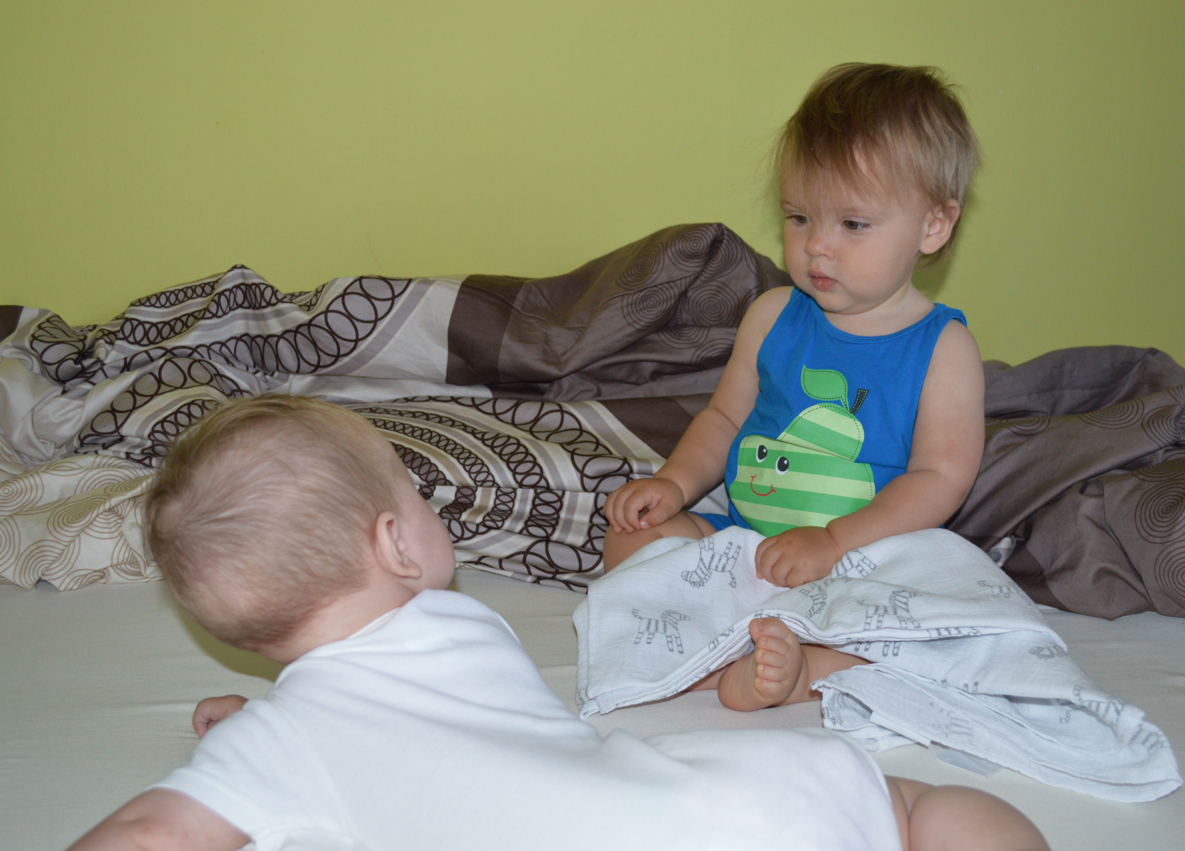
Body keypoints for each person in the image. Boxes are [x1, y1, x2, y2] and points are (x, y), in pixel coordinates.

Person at [68, 396, 1046, 851]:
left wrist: (251, 739)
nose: (430, 507)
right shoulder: (462, 626)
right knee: (913, 810)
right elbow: (413, 733)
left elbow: (155, 830)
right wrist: (263, 733)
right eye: (411, 491)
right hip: (719, 823)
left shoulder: (284, 744)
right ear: (396, 546)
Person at [603, 62, 987, 713]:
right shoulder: (773, 315)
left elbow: (941, 477)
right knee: (631, 539)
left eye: (853, 225)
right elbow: (725, 420)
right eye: (800, 217)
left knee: (932, 629)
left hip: (859, 564)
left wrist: (834, 542)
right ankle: (718, 658)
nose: (817, 248)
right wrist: (673, 484)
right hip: (749, 551)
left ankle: (801, 667)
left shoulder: (943, 348)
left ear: (933, 226)